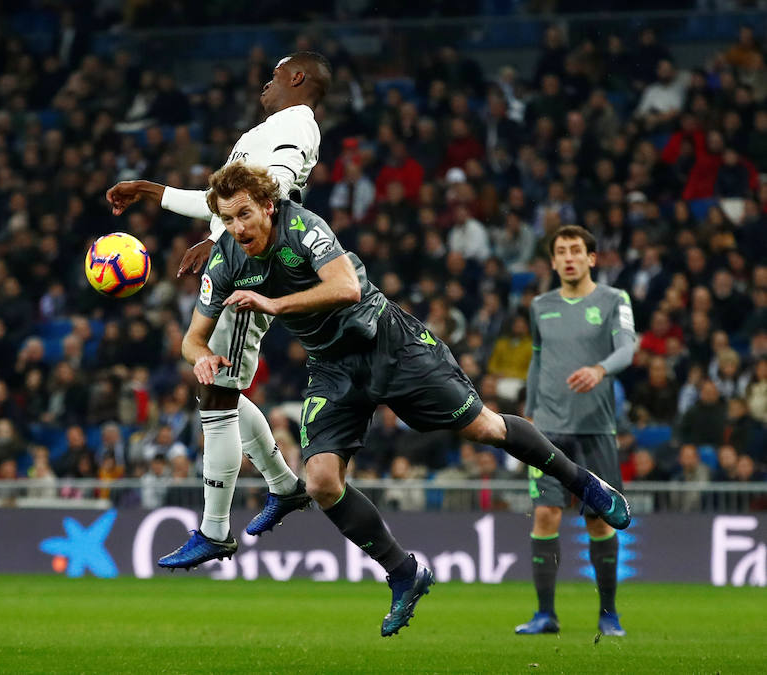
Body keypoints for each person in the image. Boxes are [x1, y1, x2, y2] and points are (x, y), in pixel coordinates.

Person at [179, 162, 630, 636]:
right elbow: (193, 339)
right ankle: (403, 573)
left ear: (268, 207)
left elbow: (346, 287)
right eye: (227, 219)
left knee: (485, 428)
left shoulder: (302, 227)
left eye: (244, 214)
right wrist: (202, 358)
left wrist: (274, 304)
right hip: (332, 366)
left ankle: (585, 484)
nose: (237, 228)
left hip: (386, 341)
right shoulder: (226, 259)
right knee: (321, 482)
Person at [106, 52, 332, 563]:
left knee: (216, 397)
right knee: (217, 391)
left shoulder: (297, 123)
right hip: (236, 259)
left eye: (274, 76)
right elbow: (218, 200)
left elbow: (277, 189)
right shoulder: (265, 131)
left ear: (297, 78)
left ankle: (215, 529)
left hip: (249, 266)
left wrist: (225, 240)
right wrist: (149, 190)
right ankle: (284, 486)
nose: (265, 85)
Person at [515, 225, 636, 638]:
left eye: (576, 250)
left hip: (595, 429)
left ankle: (609, 615)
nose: (569, 257)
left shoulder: (614, 300)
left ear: (591, 258)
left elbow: (627, 348)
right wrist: (530, 412)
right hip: (547, 430)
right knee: (545, 514)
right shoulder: (540, 305)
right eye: (561, 251)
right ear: (552, 262)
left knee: (599, 521)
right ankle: (545, 615)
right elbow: (537, 359)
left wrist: (600, 369)